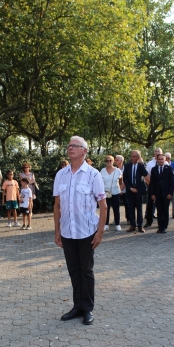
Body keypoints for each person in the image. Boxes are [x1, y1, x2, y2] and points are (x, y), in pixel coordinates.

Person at [53, 136, 107, 326]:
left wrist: (99, 233)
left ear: (84, 151)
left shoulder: (93, 175)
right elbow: (57, 206)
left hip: (86, 232)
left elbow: (103, 206)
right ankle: (77, 306)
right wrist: (57, 231)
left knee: (86, 271)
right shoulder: (61, 175)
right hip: (68, 231)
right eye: (69, 145)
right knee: (74, 271)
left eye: (75, 146)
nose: (70, 148)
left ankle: (88, 308)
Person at [123, 150, 149, 233]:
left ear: (138, 158)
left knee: (139, 208)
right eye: (131, 156)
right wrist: (130, 188)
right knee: (131, 208)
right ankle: (132, 225)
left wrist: (141, 164)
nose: (132, 158)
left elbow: (145, 174)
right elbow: (125, 179)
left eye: (134, 157)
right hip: (130, 190)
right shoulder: (127, 166)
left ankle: (140, 225)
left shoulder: (141, 165)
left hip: (139, 190)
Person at [149, 153, 174, 233]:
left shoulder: (169, 169)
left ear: (165, 160)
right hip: (157, 193)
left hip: (166, 193)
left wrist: (170, 193)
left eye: (162, 159)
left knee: (165, 210)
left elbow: (172, 182)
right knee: (159, 211)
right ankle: (160, 226)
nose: (160, 160)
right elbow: (152, 183)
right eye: (159, 159)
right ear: (157, 160)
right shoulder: (154, 169)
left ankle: (164, 226)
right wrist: (152, 194)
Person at [100, 155, 122, 231]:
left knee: (116, 208)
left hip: (115, 191)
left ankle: (117, 224)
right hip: (105, 192)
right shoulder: (102, 170)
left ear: (113, 161)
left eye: (110, 160)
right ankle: (106, 224)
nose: (108, 162)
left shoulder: (117, 170)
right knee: (106, 208)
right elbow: (100, 181)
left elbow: (120, 181)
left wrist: (120, 189)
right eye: (107, 160)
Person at [145, 147, 162, 227]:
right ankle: (148, 222)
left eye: (159, 151)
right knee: (150, 204)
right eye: (156, 151)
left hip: (161, 187)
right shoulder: (150, 163)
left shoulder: (165, 163)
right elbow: (146, 175)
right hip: (151, 185)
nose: (157, 152)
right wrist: (150, 184)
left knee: (160, 205)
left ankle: (161, 222)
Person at [114, 155, 130, 222]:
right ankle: (116, 219)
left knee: (127, 205)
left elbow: (127, 180)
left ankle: (129, 219)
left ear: (121, 161)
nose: (115, 161)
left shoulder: (126, 169)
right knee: (116, 205)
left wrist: (121, 189)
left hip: (125, 190)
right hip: (116, 190)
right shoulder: (114, 169)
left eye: (117, 160)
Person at [164, 152, 174, 219]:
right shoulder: (162, 165)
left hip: (173, 185)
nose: (167, 159)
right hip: (166, 186)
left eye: (169, 158)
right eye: (166, 158)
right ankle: (165, 213)